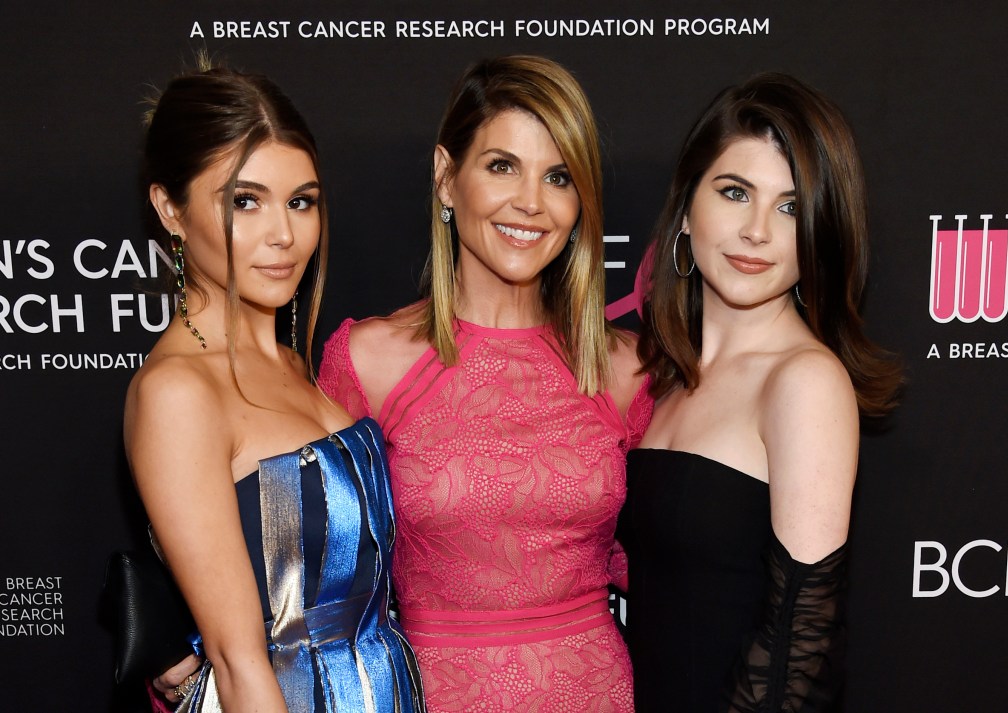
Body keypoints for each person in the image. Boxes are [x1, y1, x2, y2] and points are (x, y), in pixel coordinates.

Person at [318, 55, 652, 712]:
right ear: (447, 176)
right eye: (503, 165)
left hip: (595, 691)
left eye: (558, 177)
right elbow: (303, 556)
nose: (531, 201)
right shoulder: (370, 361)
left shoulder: (623, 368)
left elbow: (677, 558)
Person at [126, 63, 423, 712]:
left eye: (301, 201)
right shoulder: (176, 391)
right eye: (245, 201)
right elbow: (238, 665)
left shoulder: (292, 362)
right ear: (170, 210)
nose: (284, 234)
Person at [620, 72, 902, 711]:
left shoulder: (803, 380)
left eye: (790, 206)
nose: (757, 231)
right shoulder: (664, 374)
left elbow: (797, 652)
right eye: (734, 192)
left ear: (820, 233)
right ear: (687, 208)